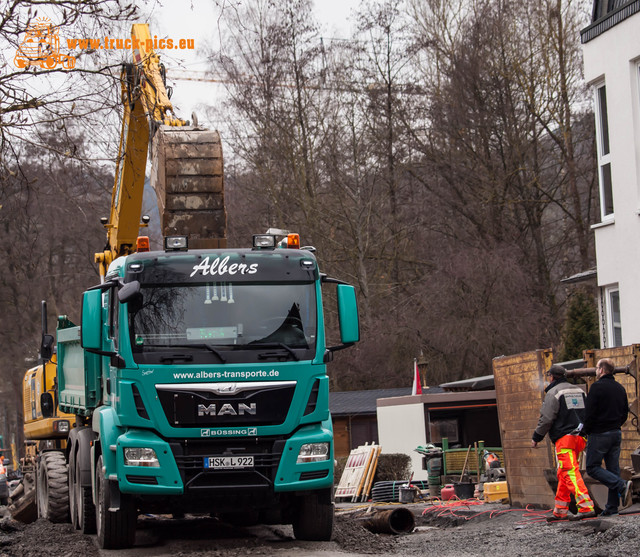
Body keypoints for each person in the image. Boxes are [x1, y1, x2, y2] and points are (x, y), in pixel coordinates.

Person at [531, 364, 595, 521]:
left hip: (564, 439)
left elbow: (546, 419)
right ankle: (560, 510)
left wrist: (536, 437)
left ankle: (586, 506)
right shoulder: (580, 391)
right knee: (563, 473)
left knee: (569, 472)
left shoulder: (554, 393)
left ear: (552, 377)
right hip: (580, 438)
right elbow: (588, 413)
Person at [583, 358, 632, 516]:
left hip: (599, 434)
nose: (596, 371)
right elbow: (625, 412)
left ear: (602, 370)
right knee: (613, 469)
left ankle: (621, 485)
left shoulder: (596, 388)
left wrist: (584, 431)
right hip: (616, 433)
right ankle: (611, 508)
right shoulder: (620, 388)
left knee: (592, 467)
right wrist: (616, 424)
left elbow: (589, 414)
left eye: (597, 368)